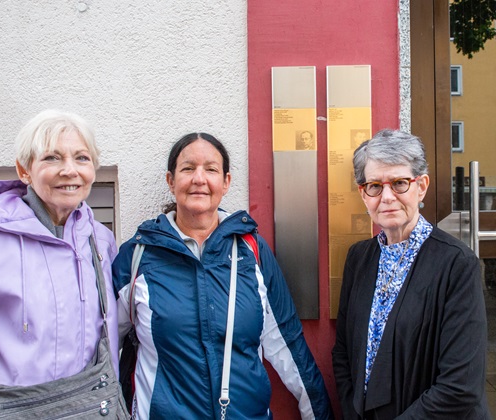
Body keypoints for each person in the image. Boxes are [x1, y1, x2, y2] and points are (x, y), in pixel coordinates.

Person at [113, 132, 332, 419]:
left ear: (226, 182)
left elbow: (287, 345)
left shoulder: (251, 250)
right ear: (171, 181)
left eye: (211, 169)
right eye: (188, 168)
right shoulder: (138, 255)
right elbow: (101, 346)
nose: (199, 179)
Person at [0, 110, 120, 419]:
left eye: (82, 158)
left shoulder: (99, 241)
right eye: (52, 158)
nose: (69, 170)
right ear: (24, 170)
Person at [332, 129, 490, 419]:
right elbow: (343, 350)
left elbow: (461, 386)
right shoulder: (359, 258)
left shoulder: (458, 264)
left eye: (400, 183)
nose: (387, 197)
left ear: (422, 186)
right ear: (363, 194)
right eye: (375, 186)